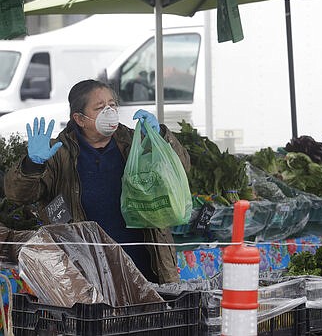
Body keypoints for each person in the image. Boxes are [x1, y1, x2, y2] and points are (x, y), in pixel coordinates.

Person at [4, 79, 190, 284]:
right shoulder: (58, 153)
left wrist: (160, 139)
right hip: (86, 272)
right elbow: (19, 195)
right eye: (100, 108)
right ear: (80, 119)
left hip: (145, 266)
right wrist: (32, 164)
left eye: (112, 105)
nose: (109, 112)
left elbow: (179, 171)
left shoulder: (134, 143)